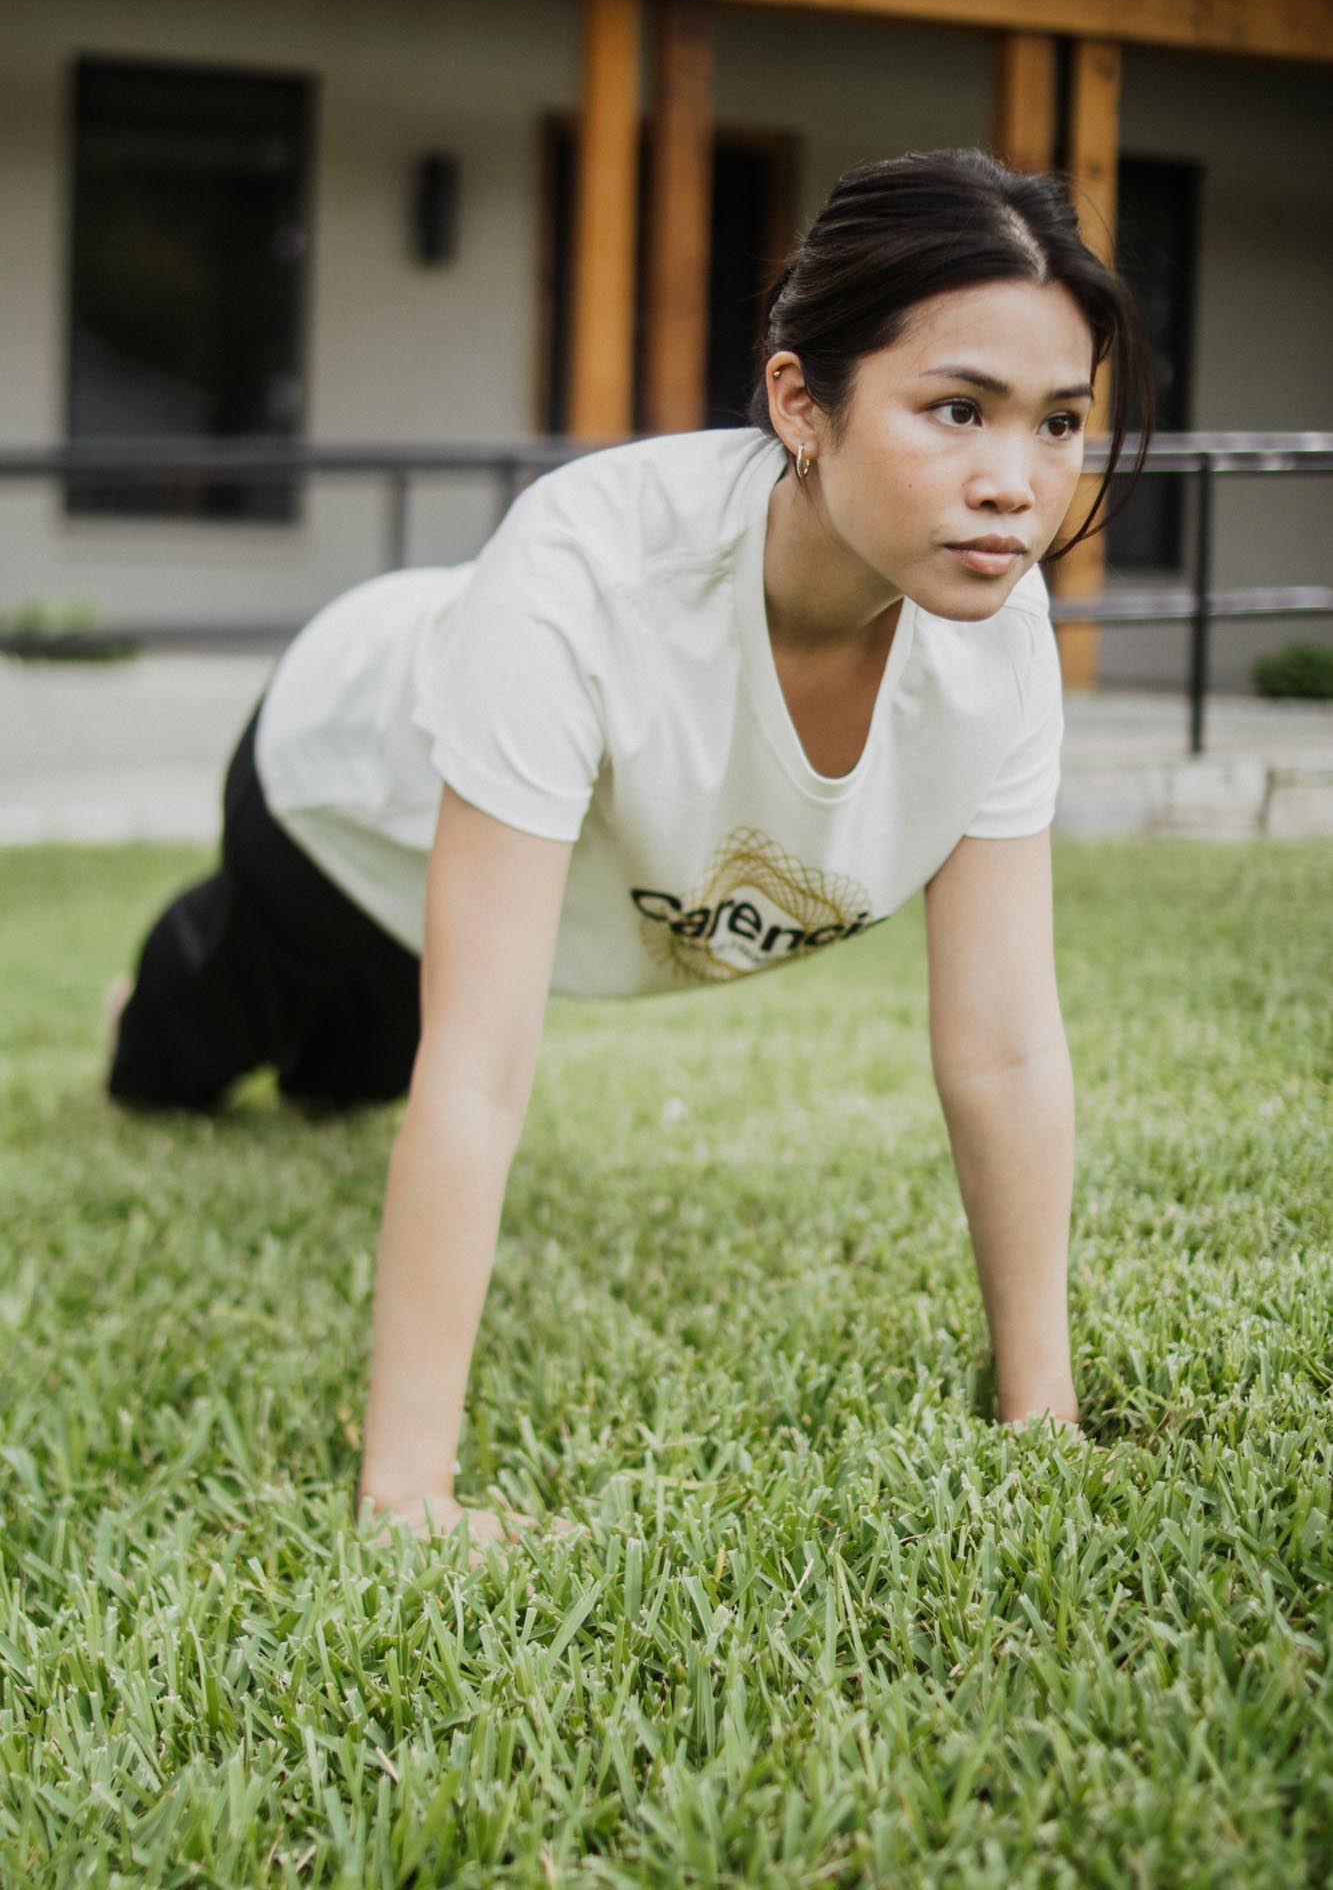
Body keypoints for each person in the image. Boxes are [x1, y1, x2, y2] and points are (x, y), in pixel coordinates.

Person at [106, 148, 1151, 1560]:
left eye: (1054, 423)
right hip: (337, 790)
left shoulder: (992, 628)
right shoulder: (588, 572)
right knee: (186, 1062)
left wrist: (1043, 1418)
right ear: (802, 401)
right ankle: (156, 986)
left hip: (513, 894)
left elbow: (1005, 1048)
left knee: (340, 1082)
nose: (1011, 484)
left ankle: (318, 1027)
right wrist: (407, 1496)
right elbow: (478, 1072)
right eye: (955, 408)